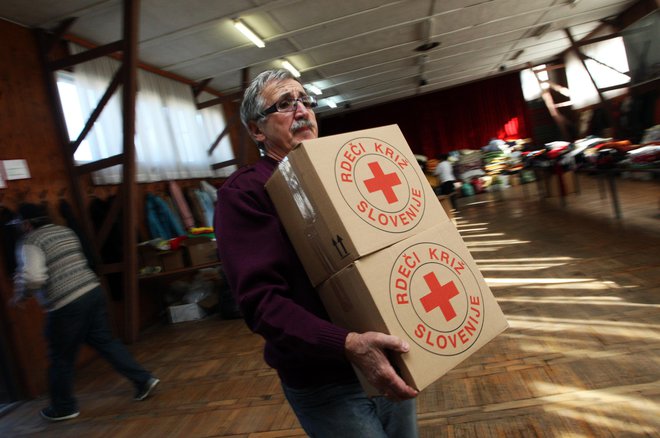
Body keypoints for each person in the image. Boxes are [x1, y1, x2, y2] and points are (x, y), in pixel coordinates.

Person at [214, 69, 419, 437]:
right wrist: (348, 344)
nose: (302, 110)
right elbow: (262, 305)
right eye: (284, 104)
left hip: (389, 356)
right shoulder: (245, 194)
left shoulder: (340, 172)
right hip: (326, 380)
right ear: (257, 131)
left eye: (306, 100)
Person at [10, 203, 159, 422]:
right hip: (92, 291)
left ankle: (63, 407)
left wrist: (21, 296)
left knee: (60, 357)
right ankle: (143, 379)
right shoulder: (64, 230)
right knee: (105, 342)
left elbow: (34, 277)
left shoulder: (30, 241)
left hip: (66, 303)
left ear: (26, 223)